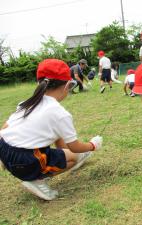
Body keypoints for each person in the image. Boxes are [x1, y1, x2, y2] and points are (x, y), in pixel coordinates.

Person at [0, 59, 103, 201]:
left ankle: (40, 169)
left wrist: (4, 156)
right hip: (26, 159)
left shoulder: (27, 103)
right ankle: (36, 180)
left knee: (63, 144)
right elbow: (75, 147)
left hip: (4, 150)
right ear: (67, 85)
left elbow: (5, 128)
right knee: (76, 157)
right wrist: (92, 145)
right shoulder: (59, 113)